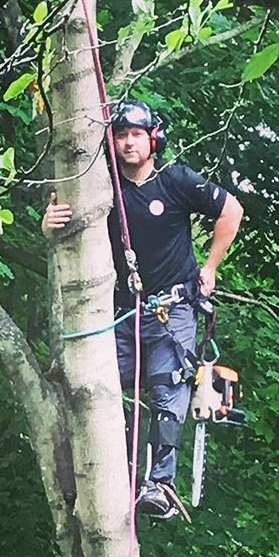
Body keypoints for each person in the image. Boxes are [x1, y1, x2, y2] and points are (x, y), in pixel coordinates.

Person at [42, 99, 243, 518]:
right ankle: (99, 479)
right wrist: (48, 225)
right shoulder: (100, 187)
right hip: (119, 312)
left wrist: (210, 267)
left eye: (136, 135)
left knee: (168, 386)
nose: (128, 143)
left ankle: (160, 485)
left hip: (173, 309)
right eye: (120, 136)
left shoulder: (175, 180)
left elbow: (231, 209)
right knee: (94, 388)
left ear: (153, 139)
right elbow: (62, 222)